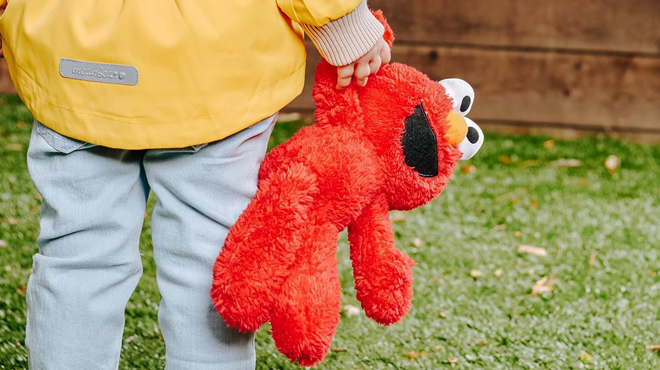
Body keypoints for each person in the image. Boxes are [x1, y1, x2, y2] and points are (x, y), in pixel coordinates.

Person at [0, 0, 391, 369]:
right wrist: (344, 24)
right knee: (210, 265)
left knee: (77, 259)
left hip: (74, 63)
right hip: (215, 71)